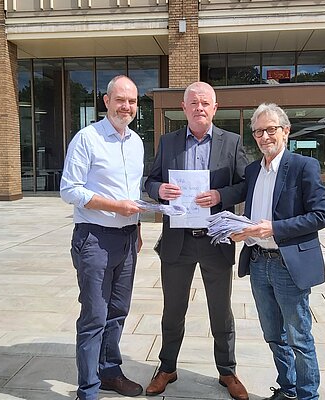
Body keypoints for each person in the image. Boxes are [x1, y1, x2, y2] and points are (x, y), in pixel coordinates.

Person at [144, 82, 249, 400]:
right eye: (194, 102)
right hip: (178, 240)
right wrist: (158, 190)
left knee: (221, 310)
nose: (199, 107)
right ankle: (167, 367)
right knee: (172, 310)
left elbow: (246, 184)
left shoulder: (232, 142)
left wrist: (221, 194)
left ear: (215, 108)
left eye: (206, 102)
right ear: (183, 107)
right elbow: (150, 180)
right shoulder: (169, 141)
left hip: (216, 239)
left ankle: (227, 371)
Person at [231, 103, 325, 400]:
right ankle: (287, 390)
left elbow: (321, 215)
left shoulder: (303, 166)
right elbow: (251, 214)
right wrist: (242, 230)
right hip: (259, 263)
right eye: (258, 131)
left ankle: (307, 396)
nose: (264, 136)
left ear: (285, 131)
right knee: (274, 335)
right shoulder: (252, 171)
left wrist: (274, 228)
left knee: (299, 337)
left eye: (270, 129)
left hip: (288, 264)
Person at [60, 75, 144, 400]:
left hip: (126, 241)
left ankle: (109, 372)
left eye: (132, 101)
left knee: (118, 311)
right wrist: (115, 206)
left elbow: (133, 194)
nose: (127, 106)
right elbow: (69, 190)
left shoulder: (136, 143)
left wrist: (137, 228)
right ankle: (88, 390)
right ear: (106, 102)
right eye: (120, 100)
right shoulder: (87, 139)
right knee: (95, 315)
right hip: (94, 238)